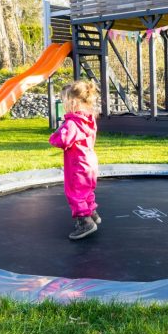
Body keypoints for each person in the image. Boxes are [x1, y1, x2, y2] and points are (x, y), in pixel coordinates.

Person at [49, 80, 101, 240]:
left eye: (64, 101)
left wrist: (54, 135)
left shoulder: (72, 123)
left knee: (75, 193)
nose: (63, 104)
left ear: (72, 102)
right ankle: (92, 213)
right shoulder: (89, 119)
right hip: (90, 163)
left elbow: (62, 140)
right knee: (87, 190)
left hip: (77, 165)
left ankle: (85, 221)